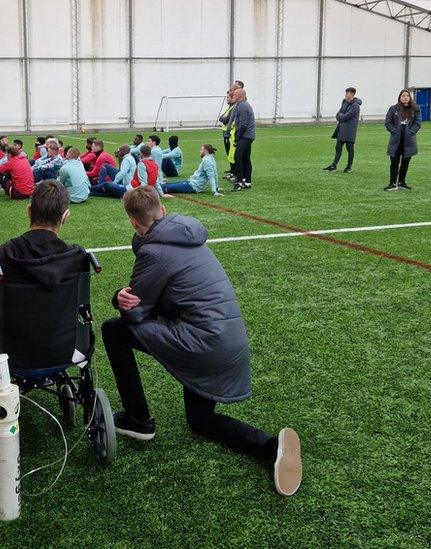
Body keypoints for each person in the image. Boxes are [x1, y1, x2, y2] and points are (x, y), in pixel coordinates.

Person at [102, 186, 303, 496]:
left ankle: (137, 419)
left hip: (201, 343)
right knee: (200, 420)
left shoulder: (154, 252)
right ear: (163, 211)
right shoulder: (187, 235)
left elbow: (137, 314)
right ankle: (271, 447)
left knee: (114, 330)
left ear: (132, 222)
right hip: (224, 339)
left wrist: (118, 298)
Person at [0, 180, 87, 290]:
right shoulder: (77, 256)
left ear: (29, 211)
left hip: (13, 308)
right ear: (65, 217)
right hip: (60, 308)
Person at [384, 89, 421, 191]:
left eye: (407, 96)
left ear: (410, 98)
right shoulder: (393, 109)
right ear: (400, 97)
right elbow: (388, 122)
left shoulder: (415, 109)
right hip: (396, 140)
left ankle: (401, 182)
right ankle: (392, 183)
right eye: (403, 96)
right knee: (394, 162)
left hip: (408, 141)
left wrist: (410, 133)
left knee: (405, 162)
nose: (405, 97)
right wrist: (394, 131)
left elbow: (418, 123)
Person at [324, 87, 362, 174]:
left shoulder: (355, 106)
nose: (345, 95)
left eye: (347, 93)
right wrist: (341, 115)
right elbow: (338, 115)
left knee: (350, 149)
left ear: (351, 94)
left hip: (350, 131)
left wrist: (341, 116)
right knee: (338, 148)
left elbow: (345, 117)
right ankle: (334, 166)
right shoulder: (345, 103)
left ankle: (349, 167)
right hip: (342, 130)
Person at [229, 88, 255, 191]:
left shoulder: (242, 106)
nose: (232, 96)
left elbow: (243, 125)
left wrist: (237, 138)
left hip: (245, 136)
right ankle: (247, 181)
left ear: (240, 96)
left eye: (234, 94)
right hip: (249, 136)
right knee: (245, 158)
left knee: (238, 157)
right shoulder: (243, 105)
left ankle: (239, 182)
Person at [219, 84, 240, 179]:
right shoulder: (230, 108)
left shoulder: (234, 108)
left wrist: (223, 118)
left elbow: (225, 119)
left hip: (230, 135)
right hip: (227, 134)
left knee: (232, 154)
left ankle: (235, 174)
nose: (227, 99)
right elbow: (221, 117)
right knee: (229, 154)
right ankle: (232, 172)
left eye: (228, 97)